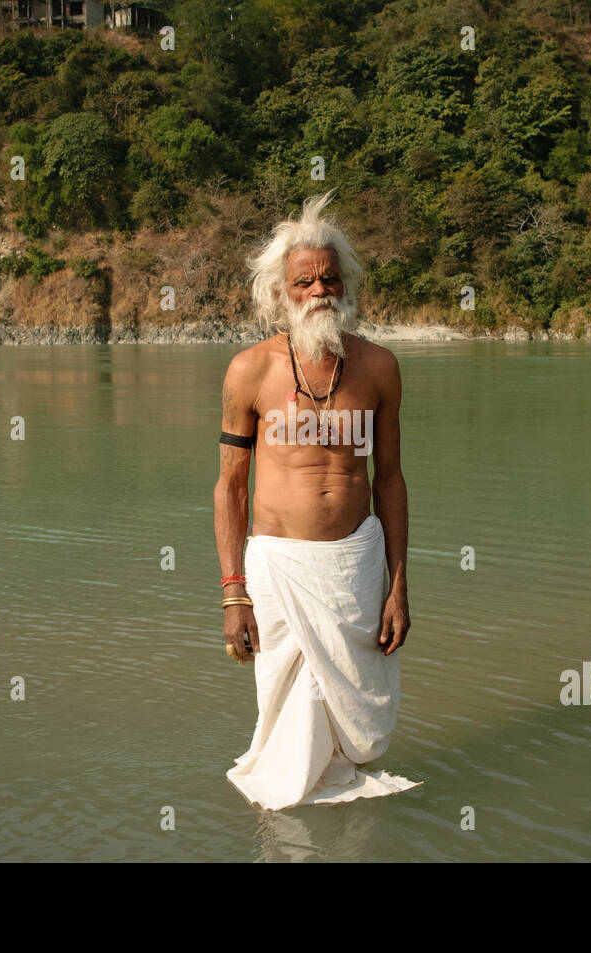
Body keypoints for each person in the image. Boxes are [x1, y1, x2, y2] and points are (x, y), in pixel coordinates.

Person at [213, 189, 421, 810]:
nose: (319, 290)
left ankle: (332, 819)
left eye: (330, 278)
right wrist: (232, 593)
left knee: (345, 708)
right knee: (293, 706)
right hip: (279, 565)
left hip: (356, 563)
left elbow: (390, 480)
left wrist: (399, 586)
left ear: (348, 284)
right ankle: (292, 824)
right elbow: (230, 487)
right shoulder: (248, 371)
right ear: (280, 293)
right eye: (303, 282)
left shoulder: (379, 368)